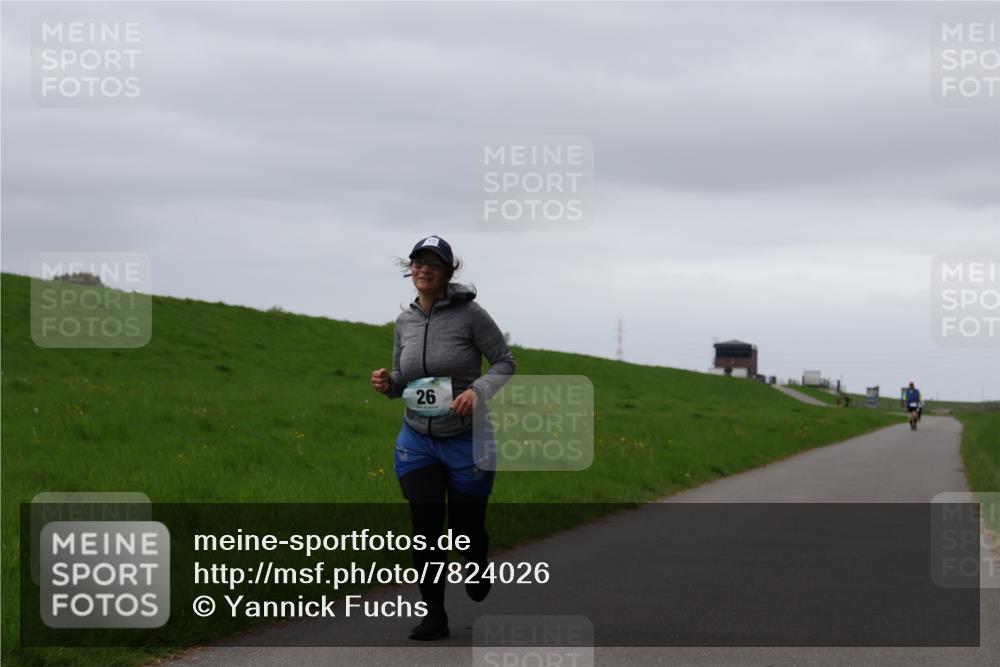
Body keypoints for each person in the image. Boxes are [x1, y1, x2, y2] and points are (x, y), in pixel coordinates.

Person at [370, 235, 516, 641]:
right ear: (410, 268)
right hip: (417, 437)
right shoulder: (405, 321)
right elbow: (406, 380)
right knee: (425, 525)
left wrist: (478, 391)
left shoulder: (471, 315)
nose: (424, 268)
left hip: (467, 438)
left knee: (466, 530)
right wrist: (388, 383)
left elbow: (505, 361)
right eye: (418, 262)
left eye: (434, 263)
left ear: (449, 271)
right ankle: (435, 615)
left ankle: (475, 560)